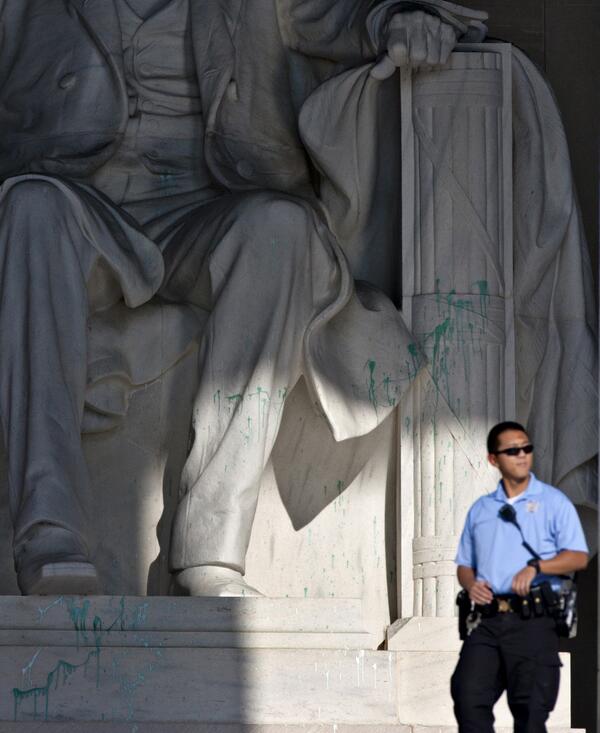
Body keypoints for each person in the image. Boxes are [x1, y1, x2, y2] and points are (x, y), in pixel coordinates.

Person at [0, 0, 487, 595]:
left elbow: (346, 13)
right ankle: (49, 532)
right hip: (73, 202)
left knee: (281, 227)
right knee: (30, 207)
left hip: (205, 207)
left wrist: (400, 19)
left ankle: (212, 549)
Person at [451, 421, 589, 732]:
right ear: (493, 459)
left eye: (527, 448)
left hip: (533, 620)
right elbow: (464, 564)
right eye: (513, 450)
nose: (523, 455)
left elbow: (578, 557)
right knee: (468, 697)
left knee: (530, 714)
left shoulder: (554, 502)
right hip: (486, 622)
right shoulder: (481, 509)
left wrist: (537, 567)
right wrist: (471, 584)